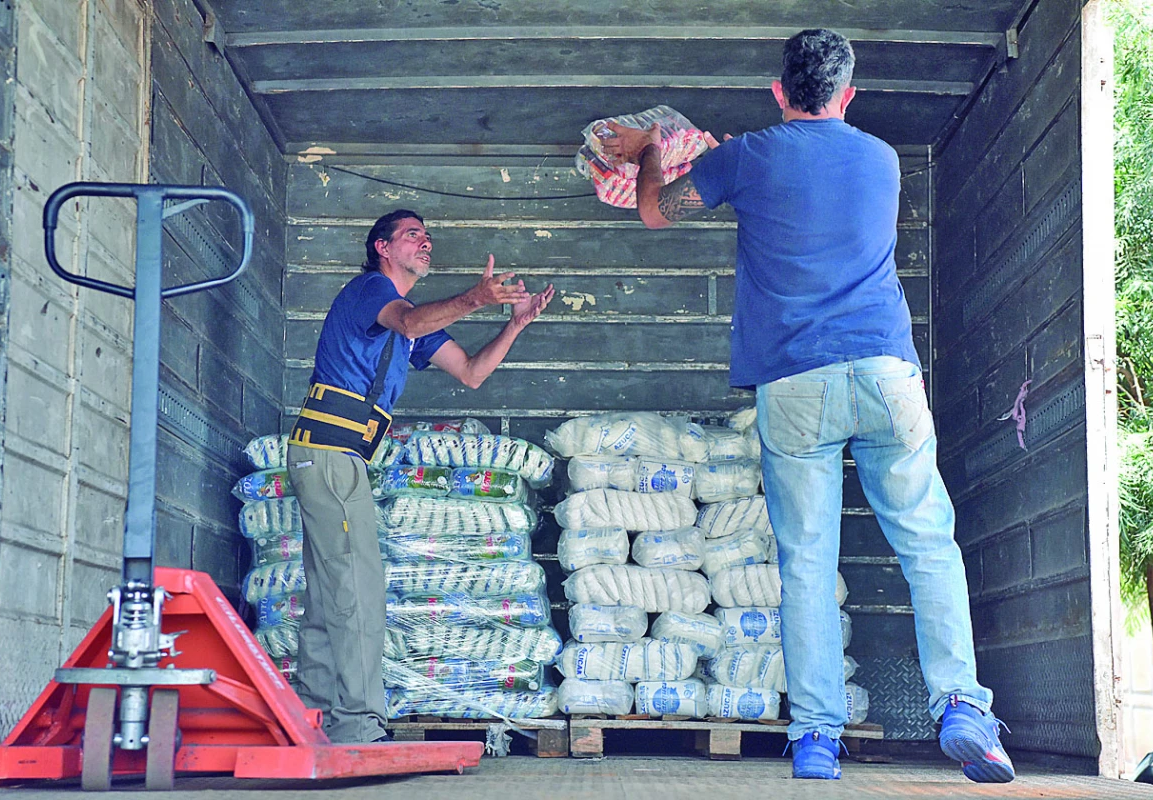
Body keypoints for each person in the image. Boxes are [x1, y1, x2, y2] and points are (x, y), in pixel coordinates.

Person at [601, 29, 1014, 784]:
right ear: (848, 94)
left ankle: (818, 737)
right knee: (928, 542)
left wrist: (654, 152)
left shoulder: (747, 157)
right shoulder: (883, 159)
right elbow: (815, 198)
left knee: (806, 563)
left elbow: (657, 212)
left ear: (778, 91)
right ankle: (962, 704)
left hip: (796, 384)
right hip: (889, 373)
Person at [285, 209, 554, 744]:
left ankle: (310, 717)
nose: (426, 242)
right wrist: (477, 297)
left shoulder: (413, 320)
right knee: (358, 590)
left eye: (429, 237)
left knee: (327, 594)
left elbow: (472, 374)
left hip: (339, 457)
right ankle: (358, 724)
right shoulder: (371, 290)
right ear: (383, 247)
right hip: (331, 452)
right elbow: (408, 322)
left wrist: (515, 323)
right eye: (413, 235)